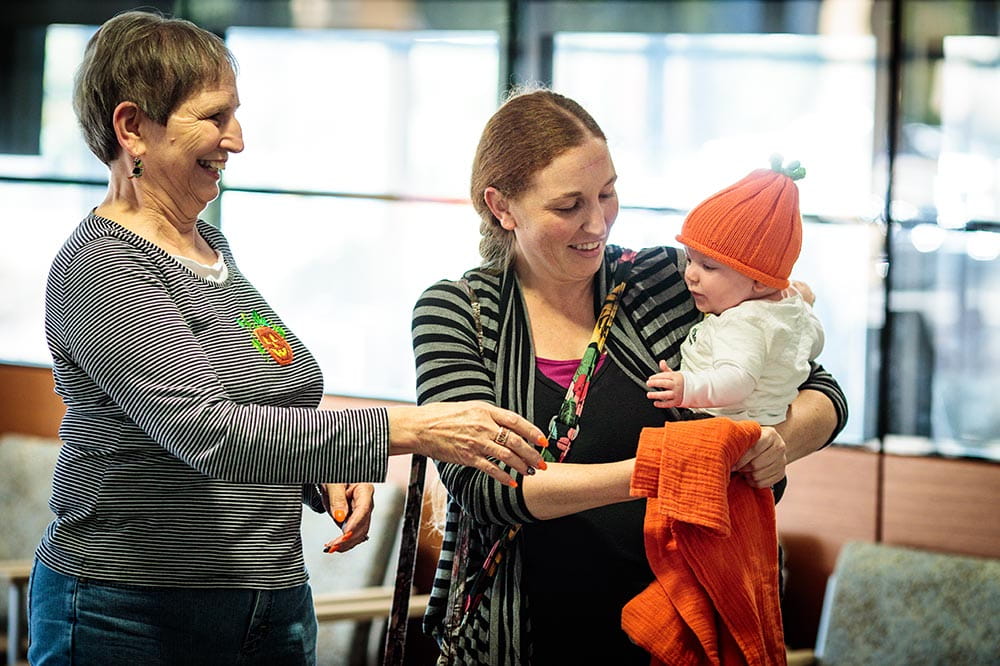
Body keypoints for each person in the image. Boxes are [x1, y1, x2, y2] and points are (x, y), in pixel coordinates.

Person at [28, 11, 548, 665]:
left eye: (234, 114)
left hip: (268, 605)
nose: (236, 139)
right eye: (214, 117)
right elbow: (210, 433)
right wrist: (411, 429)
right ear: (132, 127)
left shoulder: (209, 247)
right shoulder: (103, 264)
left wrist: (320, 467)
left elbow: (266, 398)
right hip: (135, 613)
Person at [412, 87, 847, 665]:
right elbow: (488, 486)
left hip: (683, 623)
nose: (598, 222)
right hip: (521, 633)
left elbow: (822, 390)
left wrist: (773, 445)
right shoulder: (459, 312)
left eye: (608, 193)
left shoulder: (669, 282)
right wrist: (668, 470)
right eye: (569, 206)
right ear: (502, 206)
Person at [645, 157, 825, 426]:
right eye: (690, 259)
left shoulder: (743, 322)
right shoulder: (790, 308)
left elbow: (737, 380)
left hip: (725, 424)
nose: (690, 274)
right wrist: (807, 309)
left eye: (708, 266)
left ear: (760, 282)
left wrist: (688, 387)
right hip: (765, 423)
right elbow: (814, 345)